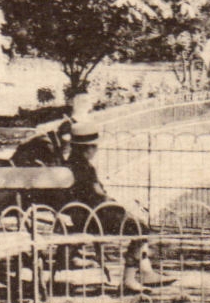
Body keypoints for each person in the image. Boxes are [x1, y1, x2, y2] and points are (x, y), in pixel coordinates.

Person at [63, 120, 166, 293]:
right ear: (87, 148)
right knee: (141, 228)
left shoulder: (69, 164)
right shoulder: (85, 169)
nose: (95, 151)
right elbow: (97, 197)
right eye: (94, 147)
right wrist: (119, 207)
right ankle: (129, 279)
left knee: (134, 220)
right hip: (93, 217)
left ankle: (145, 272)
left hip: (80, 216)